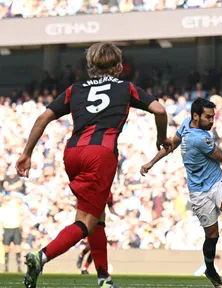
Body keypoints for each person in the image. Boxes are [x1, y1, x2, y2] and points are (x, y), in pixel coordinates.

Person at [15, 42, 171, 288]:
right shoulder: (126, 87)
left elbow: (44, 117)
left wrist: (27, 153)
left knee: (97, 217)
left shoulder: (74, 89)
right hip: (101, 155)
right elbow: (160, 110)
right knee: (86, 222)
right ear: (118, 66)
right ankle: (41, 257)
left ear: (90, 67)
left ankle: (103, 278)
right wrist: (161, 137)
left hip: (73, 153)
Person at [140, 98, 222, 288]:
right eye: (208, 117)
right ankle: (210, 269)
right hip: (198, 191)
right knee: (212, 235)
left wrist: (152, 161)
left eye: (213, 117)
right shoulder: (198, 135)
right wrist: (151, 162)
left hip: (216, 181)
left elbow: (175, 145)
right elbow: (218, 155)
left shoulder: (194, 130)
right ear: (195, 116)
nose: (211, 120)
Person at [77, 193, 121, 275]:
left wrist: (118, 215)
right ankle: (82, 255)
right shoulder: (96, 188)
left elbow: (110, 208)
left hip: (101, 222)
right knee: (93, 246)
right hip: (90, 221)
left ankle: (84, 268)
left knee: (96, 247)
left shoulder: (109, 194)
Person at [0, 195, 23, 273]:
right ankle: (6, 268)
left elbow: (20, 200)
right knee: (6, 249)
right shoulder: (2, 209)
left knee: (17, 248)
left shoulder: (15, 206)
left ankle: (19, 268)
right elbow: (1, 223)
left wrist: (12, 198)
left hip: (16, 229)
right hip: (7, 229)